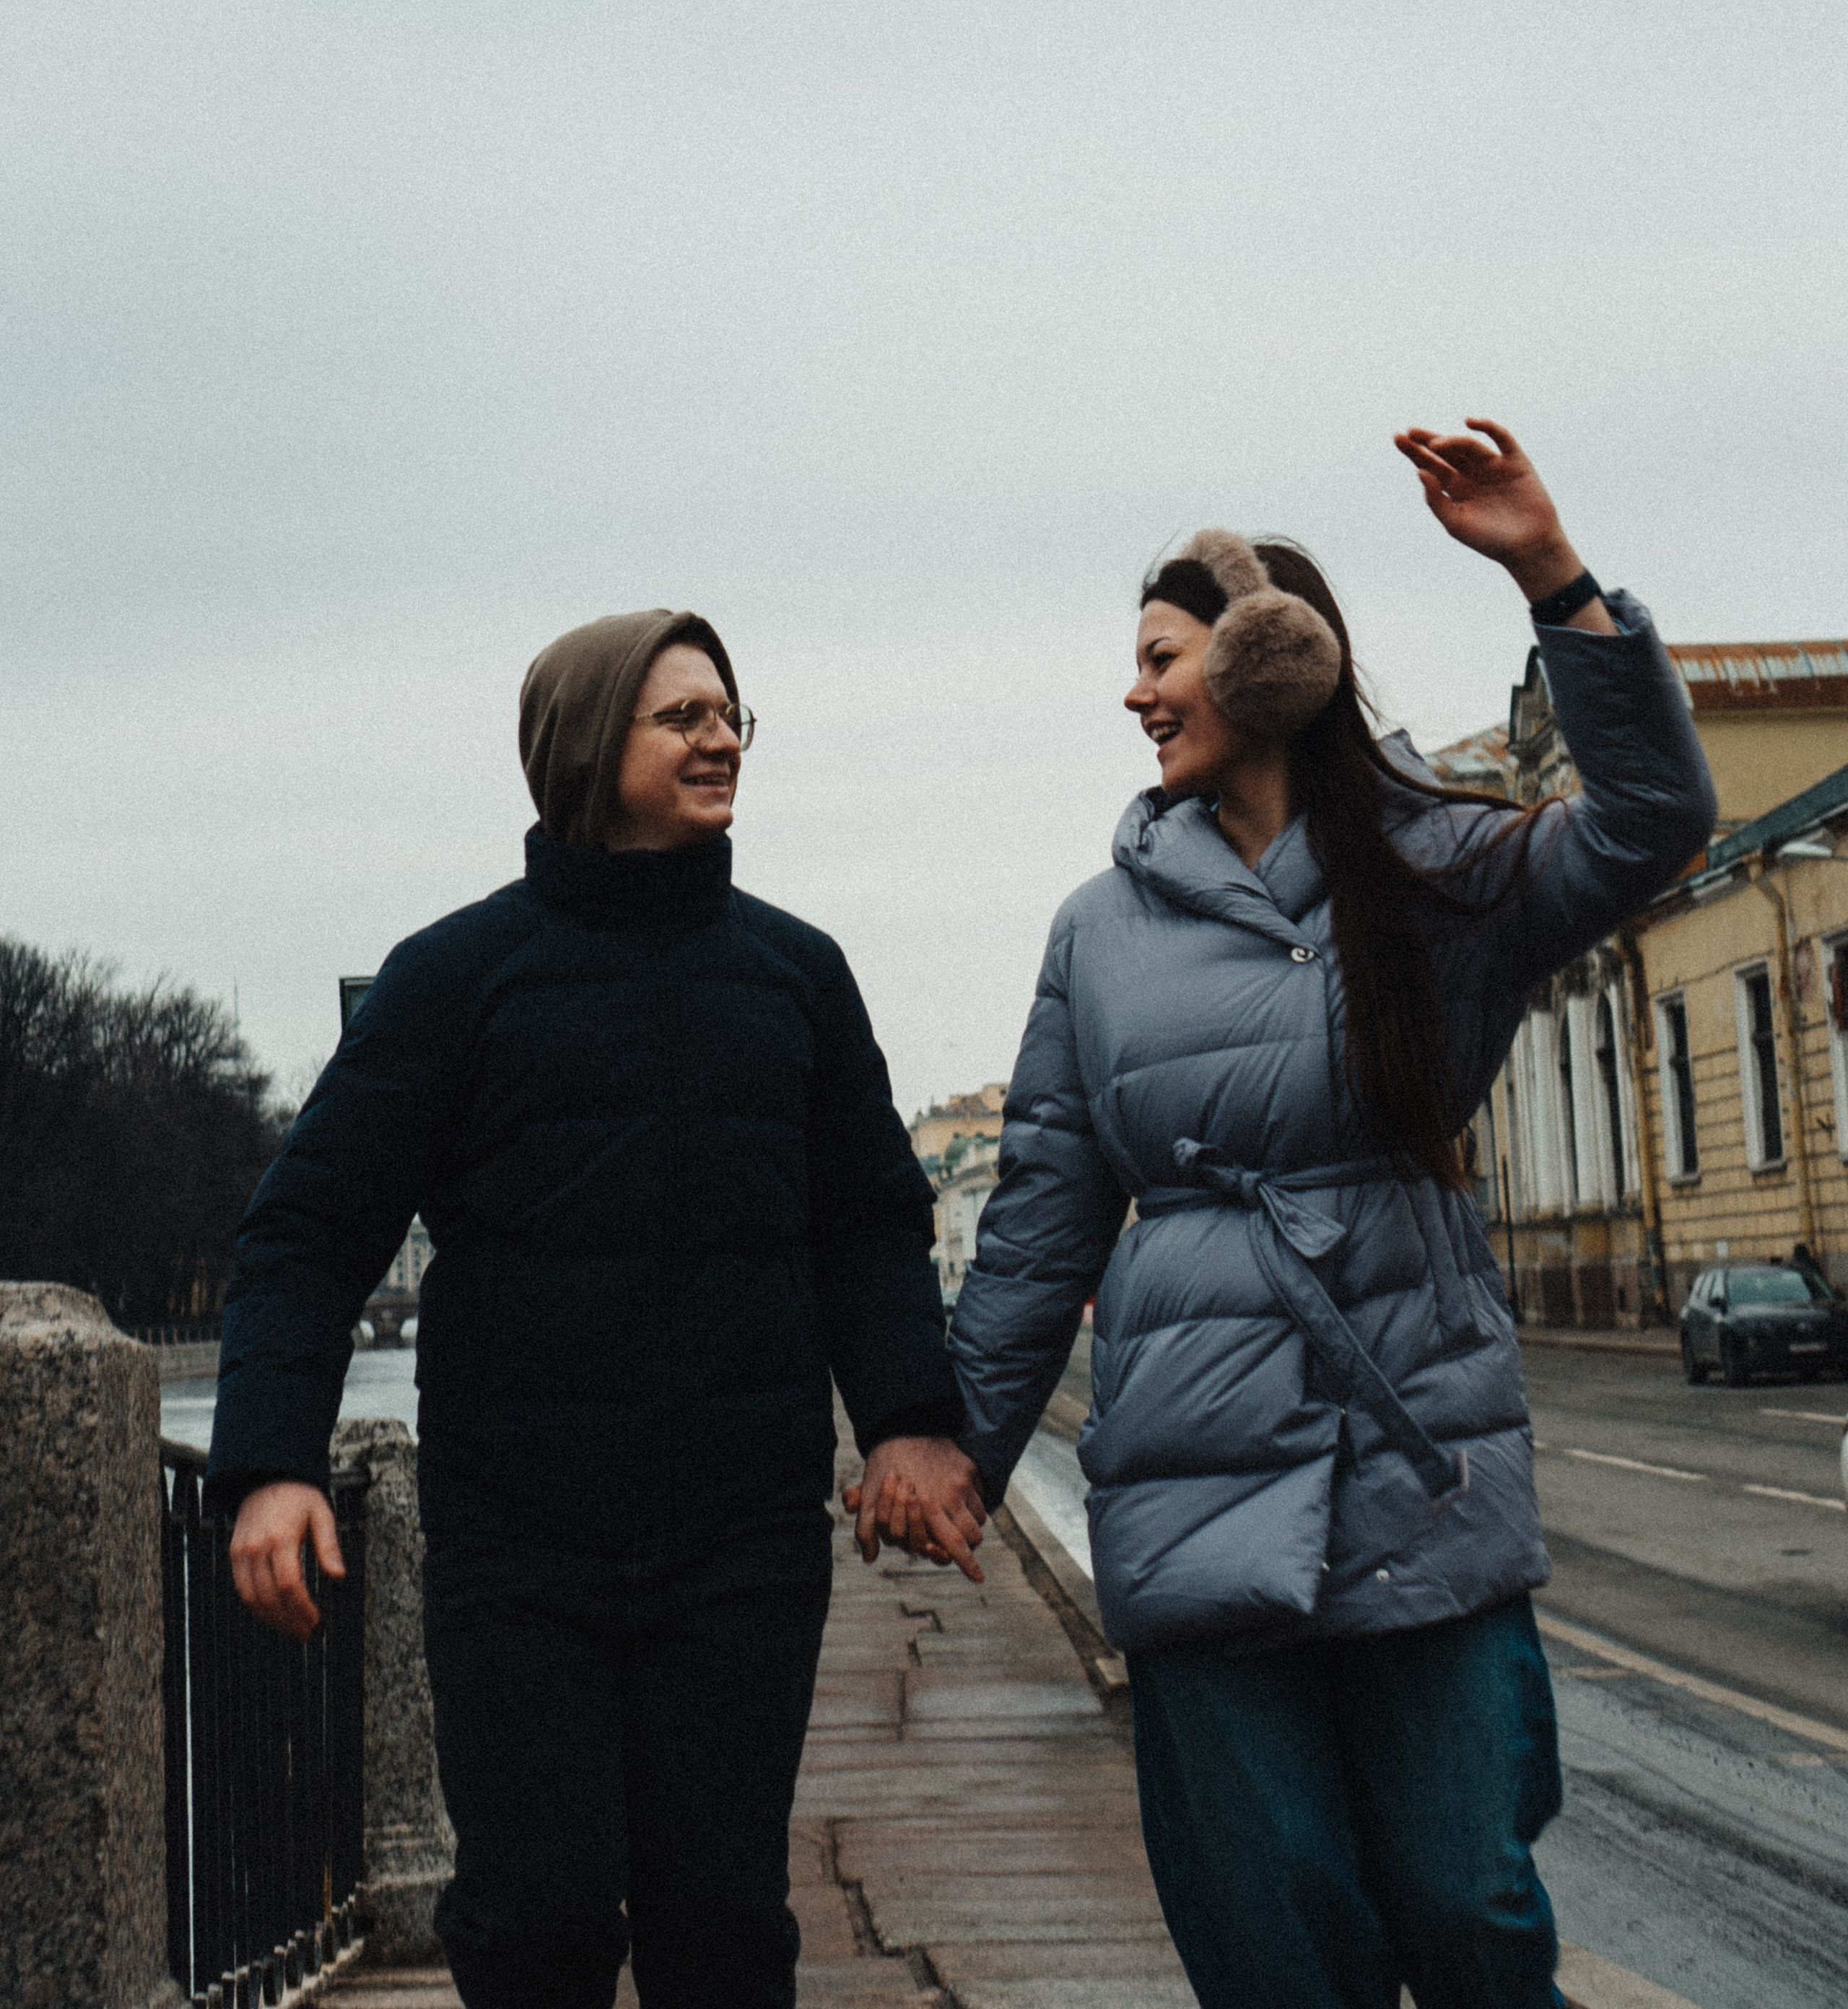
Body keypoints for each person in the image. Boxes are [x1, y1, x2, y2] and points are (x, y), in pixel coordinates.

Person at [938, 421, 1717, 2009]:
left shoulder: (1438, 872)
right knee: (1273, 1939)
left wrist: (1547, 576)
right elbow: (1039, 1217)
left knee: (1467, 1910)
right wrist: (950, 1449)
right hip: (1187, 1486)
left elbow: (1648, 823)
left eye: (1160, 657)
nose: (1134, 692)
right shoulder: (1095, 933)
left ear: (1267, 665)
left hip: (1416, 1467)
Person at [207, 606, 986, 2009]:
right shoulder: (454, 981)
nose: (717, 736)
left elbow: (870, 1227)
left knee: (724, 1927)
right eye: (677, 713)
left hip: (740, 1543)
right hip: (522, 1549)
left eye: (729, 713)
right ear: (582, 747)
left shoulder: (795, 975)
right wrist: (267, 1466)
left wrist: (911, 1428)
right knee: (535, 1922)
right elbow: (309, 1234)